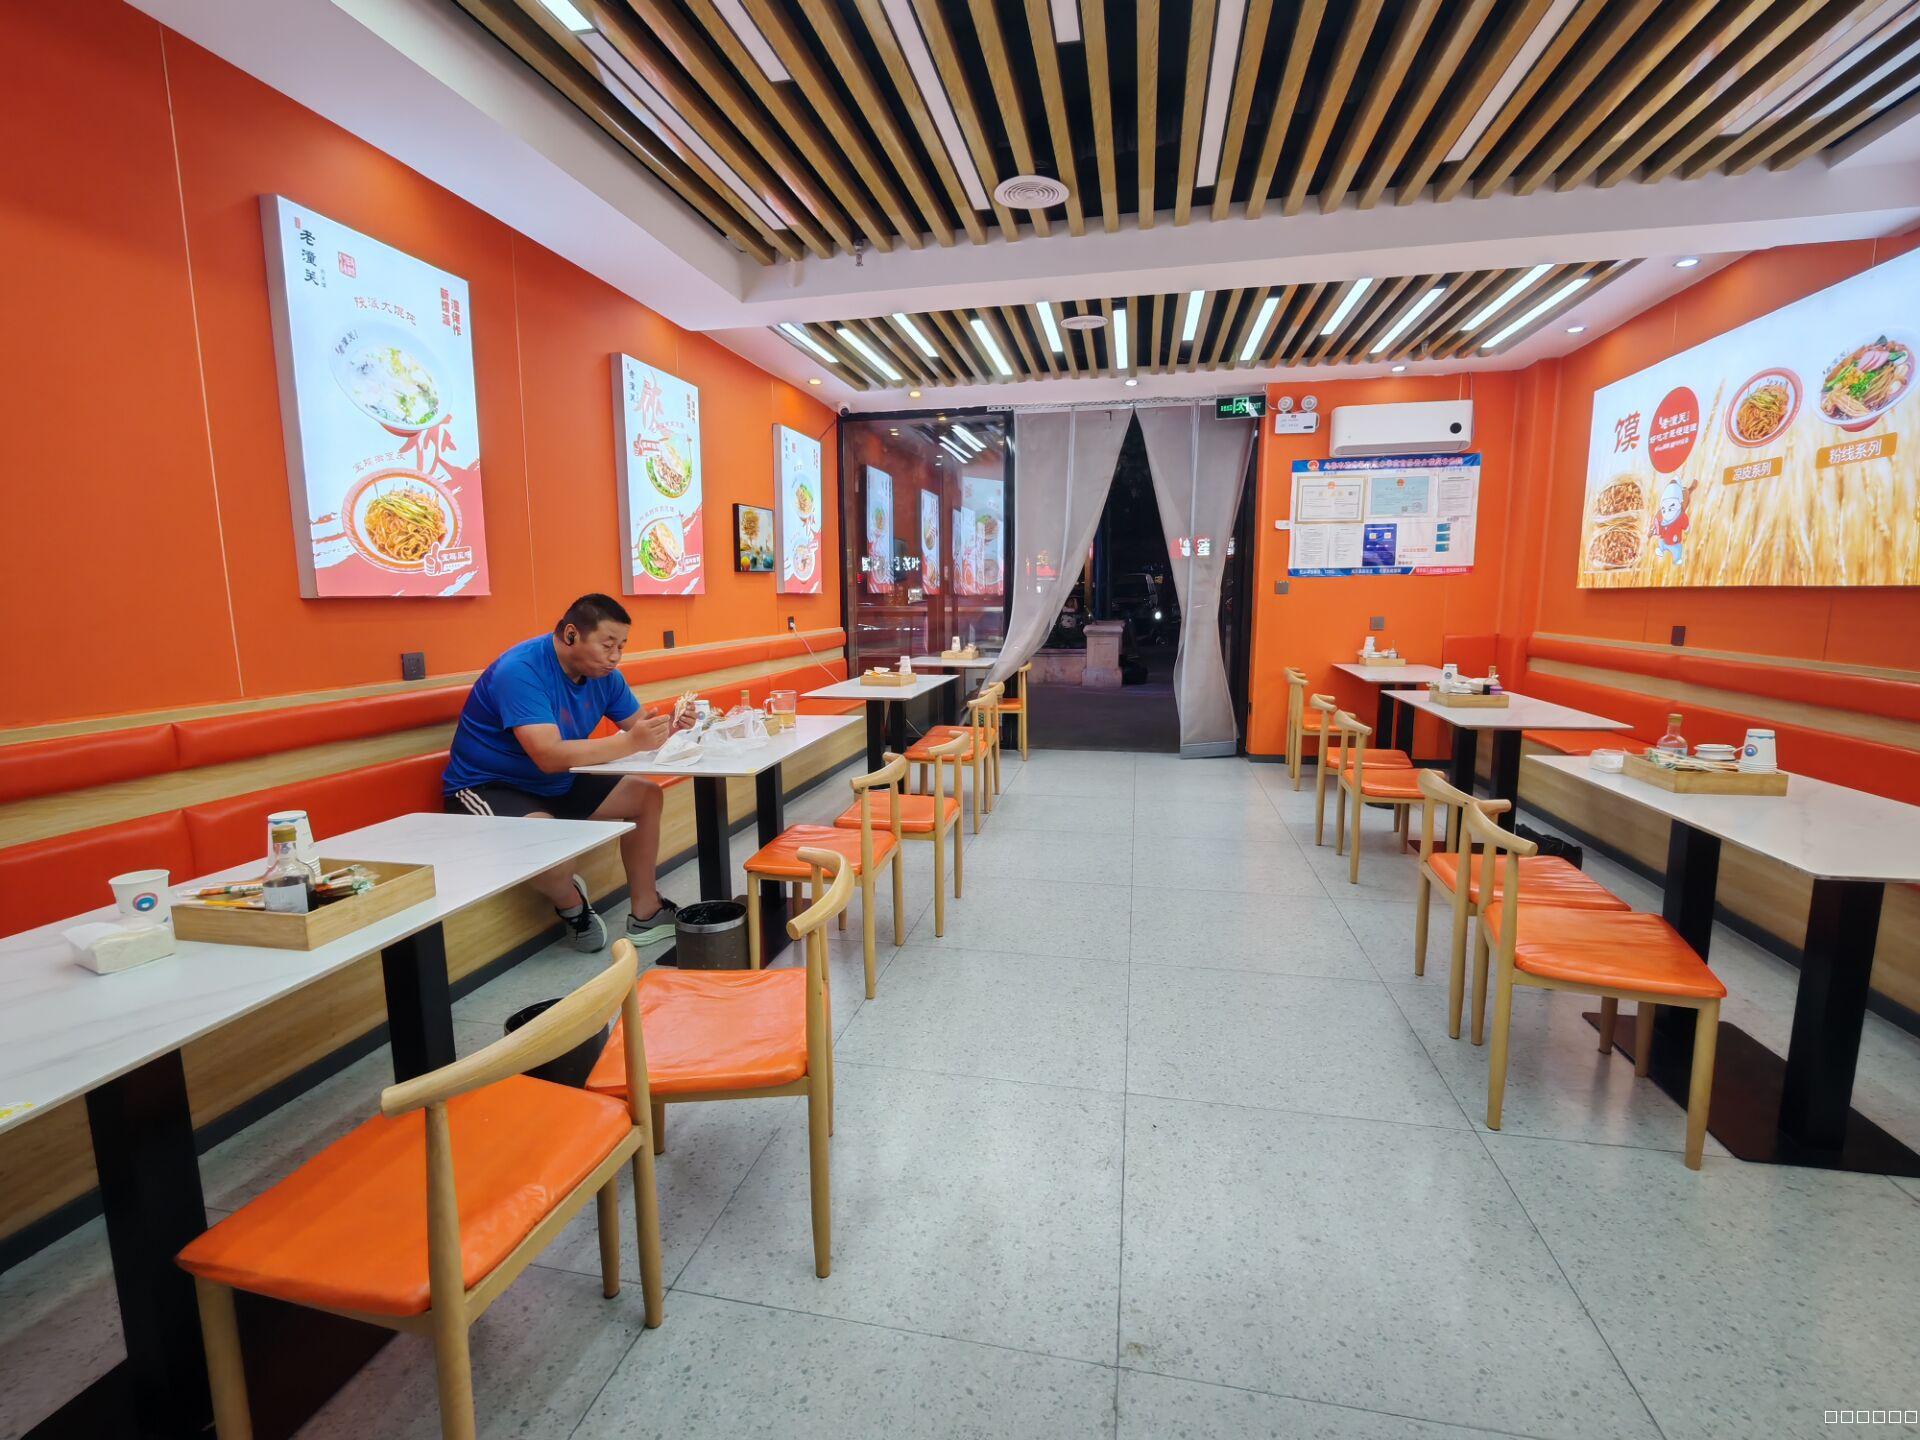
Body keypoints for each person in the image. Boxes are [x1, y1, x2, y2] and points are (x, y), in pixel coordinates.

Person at [443, 594, 687, 950]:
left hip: (558, 781)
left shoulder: (605, 677)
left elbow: (639, 729)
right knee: (556, 854)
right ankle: (572, 905)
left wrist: (671, 728)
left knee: (646, 796)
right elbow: (548, 755)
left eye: (621, 646)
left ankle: (647, 912)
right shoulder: (520, 671)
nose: (615, 657)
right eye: (607, 645)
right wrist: (630, 742)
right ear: (572, 634)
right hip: (488, 786)